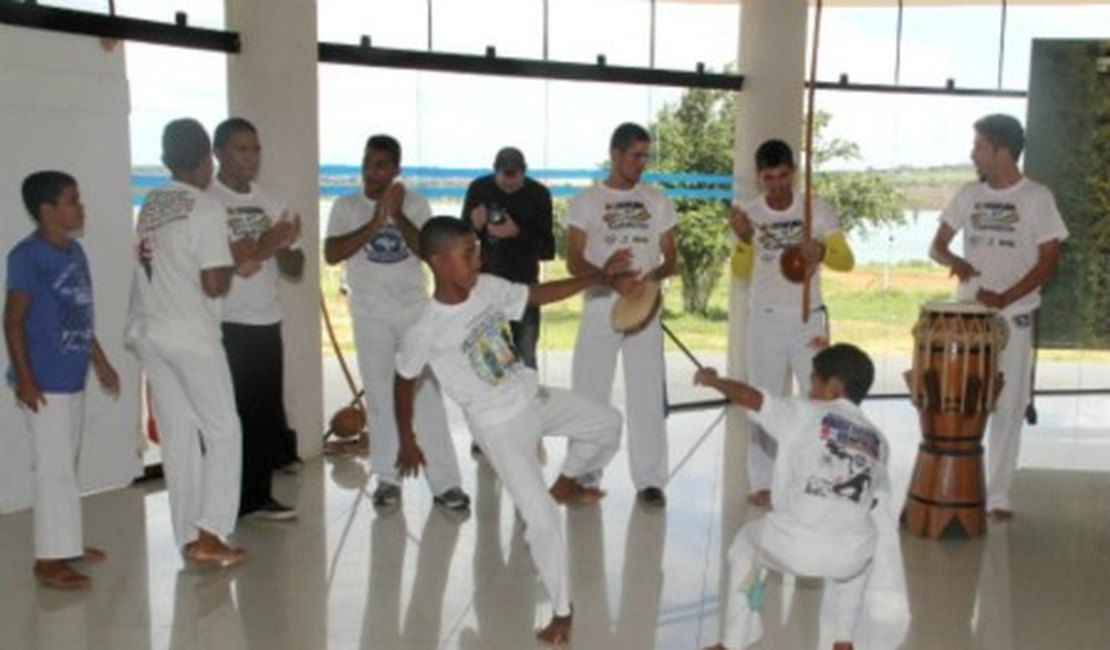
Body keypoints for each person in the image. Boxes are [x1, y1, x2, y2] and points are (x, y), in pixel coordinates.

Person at [394, 216, 626, 646]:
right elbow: (403, 378)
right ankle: (562, 612)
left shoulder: (485, 287)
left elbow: (535, 294)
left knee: (609, 423)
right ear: (439, 262)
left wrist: (596, 276)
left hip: (530, 395)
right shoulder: (425, 328)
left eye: (477, 250)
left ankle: (569, 480)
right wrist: (407, 439)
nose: (478, 260)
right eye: (468, 255)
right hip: (497, 427)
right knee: (541, 520)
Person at [695, 343, 889, 650]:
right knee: (860, 550)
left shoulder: (804, 412)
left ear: (833, 386)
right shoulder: (878, 440)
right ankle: (843, 641)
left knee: (745, 546)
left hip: (797, 544)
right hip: (849, 556)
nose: (808, 388)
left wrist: (714, 381)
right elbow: (871, 498)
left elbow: (752, 398)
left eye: (813, 380)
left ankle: (732, 644)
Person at [929, 113, 1067, 521]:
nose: (973, 154)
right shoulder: (969, 193)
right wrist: (955, 260)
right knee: (962, 400)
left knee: (1008, 405)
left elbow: (1048, 262)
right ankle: (956, 481)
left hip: (1015, 317)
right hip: (968, 317)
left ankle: (1000, 494)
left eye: (979, 147)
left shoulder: (1037, 197)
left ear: (1001, 152)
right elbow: (936, 245)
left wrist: (1005, 297)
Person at [126, 118, 251, 567]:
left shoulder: (151, 203)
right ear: (208, 160)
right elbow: (215, 283)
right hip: (190, 335)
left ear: (164, 161)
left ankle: (187, 537)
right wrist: (243, 254)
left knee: (179, 435)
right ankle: (213, 533)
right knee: (222, 430)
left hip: (148, 331)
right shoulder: (205, 207)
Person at [324, 134, 468, 512]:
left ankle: (446, 484)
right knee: (380, 397)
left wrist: (397, 215)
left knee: (425, 396)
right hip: (370, 315)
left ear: (396, 170)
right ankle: (387, 479)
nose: (371, 172)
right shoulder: (345, 205)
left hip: (414, 314)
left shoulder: (417, 203)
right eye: (367, 163)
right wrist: (374, 223)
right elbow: (331, 253)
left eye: (381, 165)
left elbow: (428, 251)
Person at [4, 171, 120, 589]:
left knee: (64, 466)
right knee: (52, 470)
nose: (80, 206)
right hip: (44, 381)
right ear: (47, 209)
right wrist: (26, 380)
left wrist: (101, 362)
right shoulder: (27, 256)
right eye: (72, 200)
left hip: (72, 376)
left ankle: (66, 544)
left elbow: (80, 314)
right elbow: (12, 321)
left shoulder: (75, 252)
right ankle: (48, 559)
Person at [728, 138, 855, 508]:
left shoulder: (816, 209)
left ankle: (823, 471)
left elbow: (846, 260)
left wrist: (823, 250)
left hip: (808, 316)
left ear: (794, 172)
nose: (778, 186)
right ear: (759, 178)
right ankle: (762, 481)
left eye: (784, 176)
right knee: (763, 399)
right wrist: (745, 241)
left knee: (821, 396)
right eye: (770, 179)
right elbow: (740, 271)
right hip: (765, 318)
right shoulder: (749, 213)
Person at [566, 122, 677, 507]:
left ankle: (650, 480)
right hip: (600, 305)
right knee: (589, 393)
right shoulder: (585, 201)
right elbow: (573, 260)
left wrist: (650, 280)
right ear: (615, 155)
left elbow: (671, 258)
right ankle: (583, 473)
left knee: (646, 393)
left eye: (646, 155)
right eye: (635, 155)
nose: (642, 163)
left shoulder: (657, 200)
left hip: (644, 309)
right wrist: (612, 279)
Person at [210, 117, 304, 521]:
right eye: (240, 149)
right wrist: (262, 246)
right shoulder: (207, 201)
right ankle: (222, 501)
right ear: (218, 153)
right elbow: (226, 262)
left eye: (255, 149)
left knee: (264, 412)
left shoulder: (271, 201)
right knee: (229, 414)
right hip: (225, 319)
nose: (250, 157)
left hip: (267, 319)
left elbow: (296, 265)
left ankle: (257, 496)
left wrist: (281, 246)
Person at [461, 146, 555, 369]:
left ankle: (529, 403)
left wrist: (516, 233)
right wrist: (473, 226)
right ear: (495, 171)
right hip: (485, 289)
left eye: (516, 177)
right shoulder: (479, 189)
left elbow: (548, 250)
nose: (510, 184)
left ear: (525, 171)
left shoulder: (538, 194)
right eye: (505, 178)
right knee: (490, 362)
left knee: (525, 357)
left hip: (523, 290)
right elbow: (457, 242)